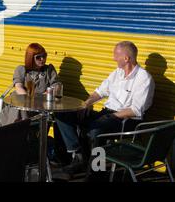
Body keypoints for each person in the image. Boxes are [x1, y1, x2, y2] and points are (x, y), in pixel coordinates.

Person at [55, 41, 155, 174]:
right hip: (107, 113)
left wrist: (111, 116)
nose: (113, 58)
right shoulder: (117, 73)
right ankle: (78, 155)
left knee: (96, 129)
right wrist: (86, 104)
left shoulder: (144, 78)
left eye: (116, 55)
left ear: (126, 58)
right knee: (63, 115)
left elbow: (135, 110)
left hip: (126, 119)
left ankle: (97, 171)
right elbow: (100, 92)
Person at [0, 43, 59, 126]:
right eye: (38, 57)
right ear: (30, 57)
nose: (42, 59)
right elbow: (18, 87)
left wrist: (47, 93)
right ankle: (18, 133)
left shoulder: (49, 70)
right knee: (20, 108)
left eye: (44, 56)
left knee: (20, 109)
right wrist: (29, 100)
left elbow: (56, 85)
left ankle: (18, 133)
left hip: (40, 105)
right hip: (23, 102)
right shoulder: (22, 69)